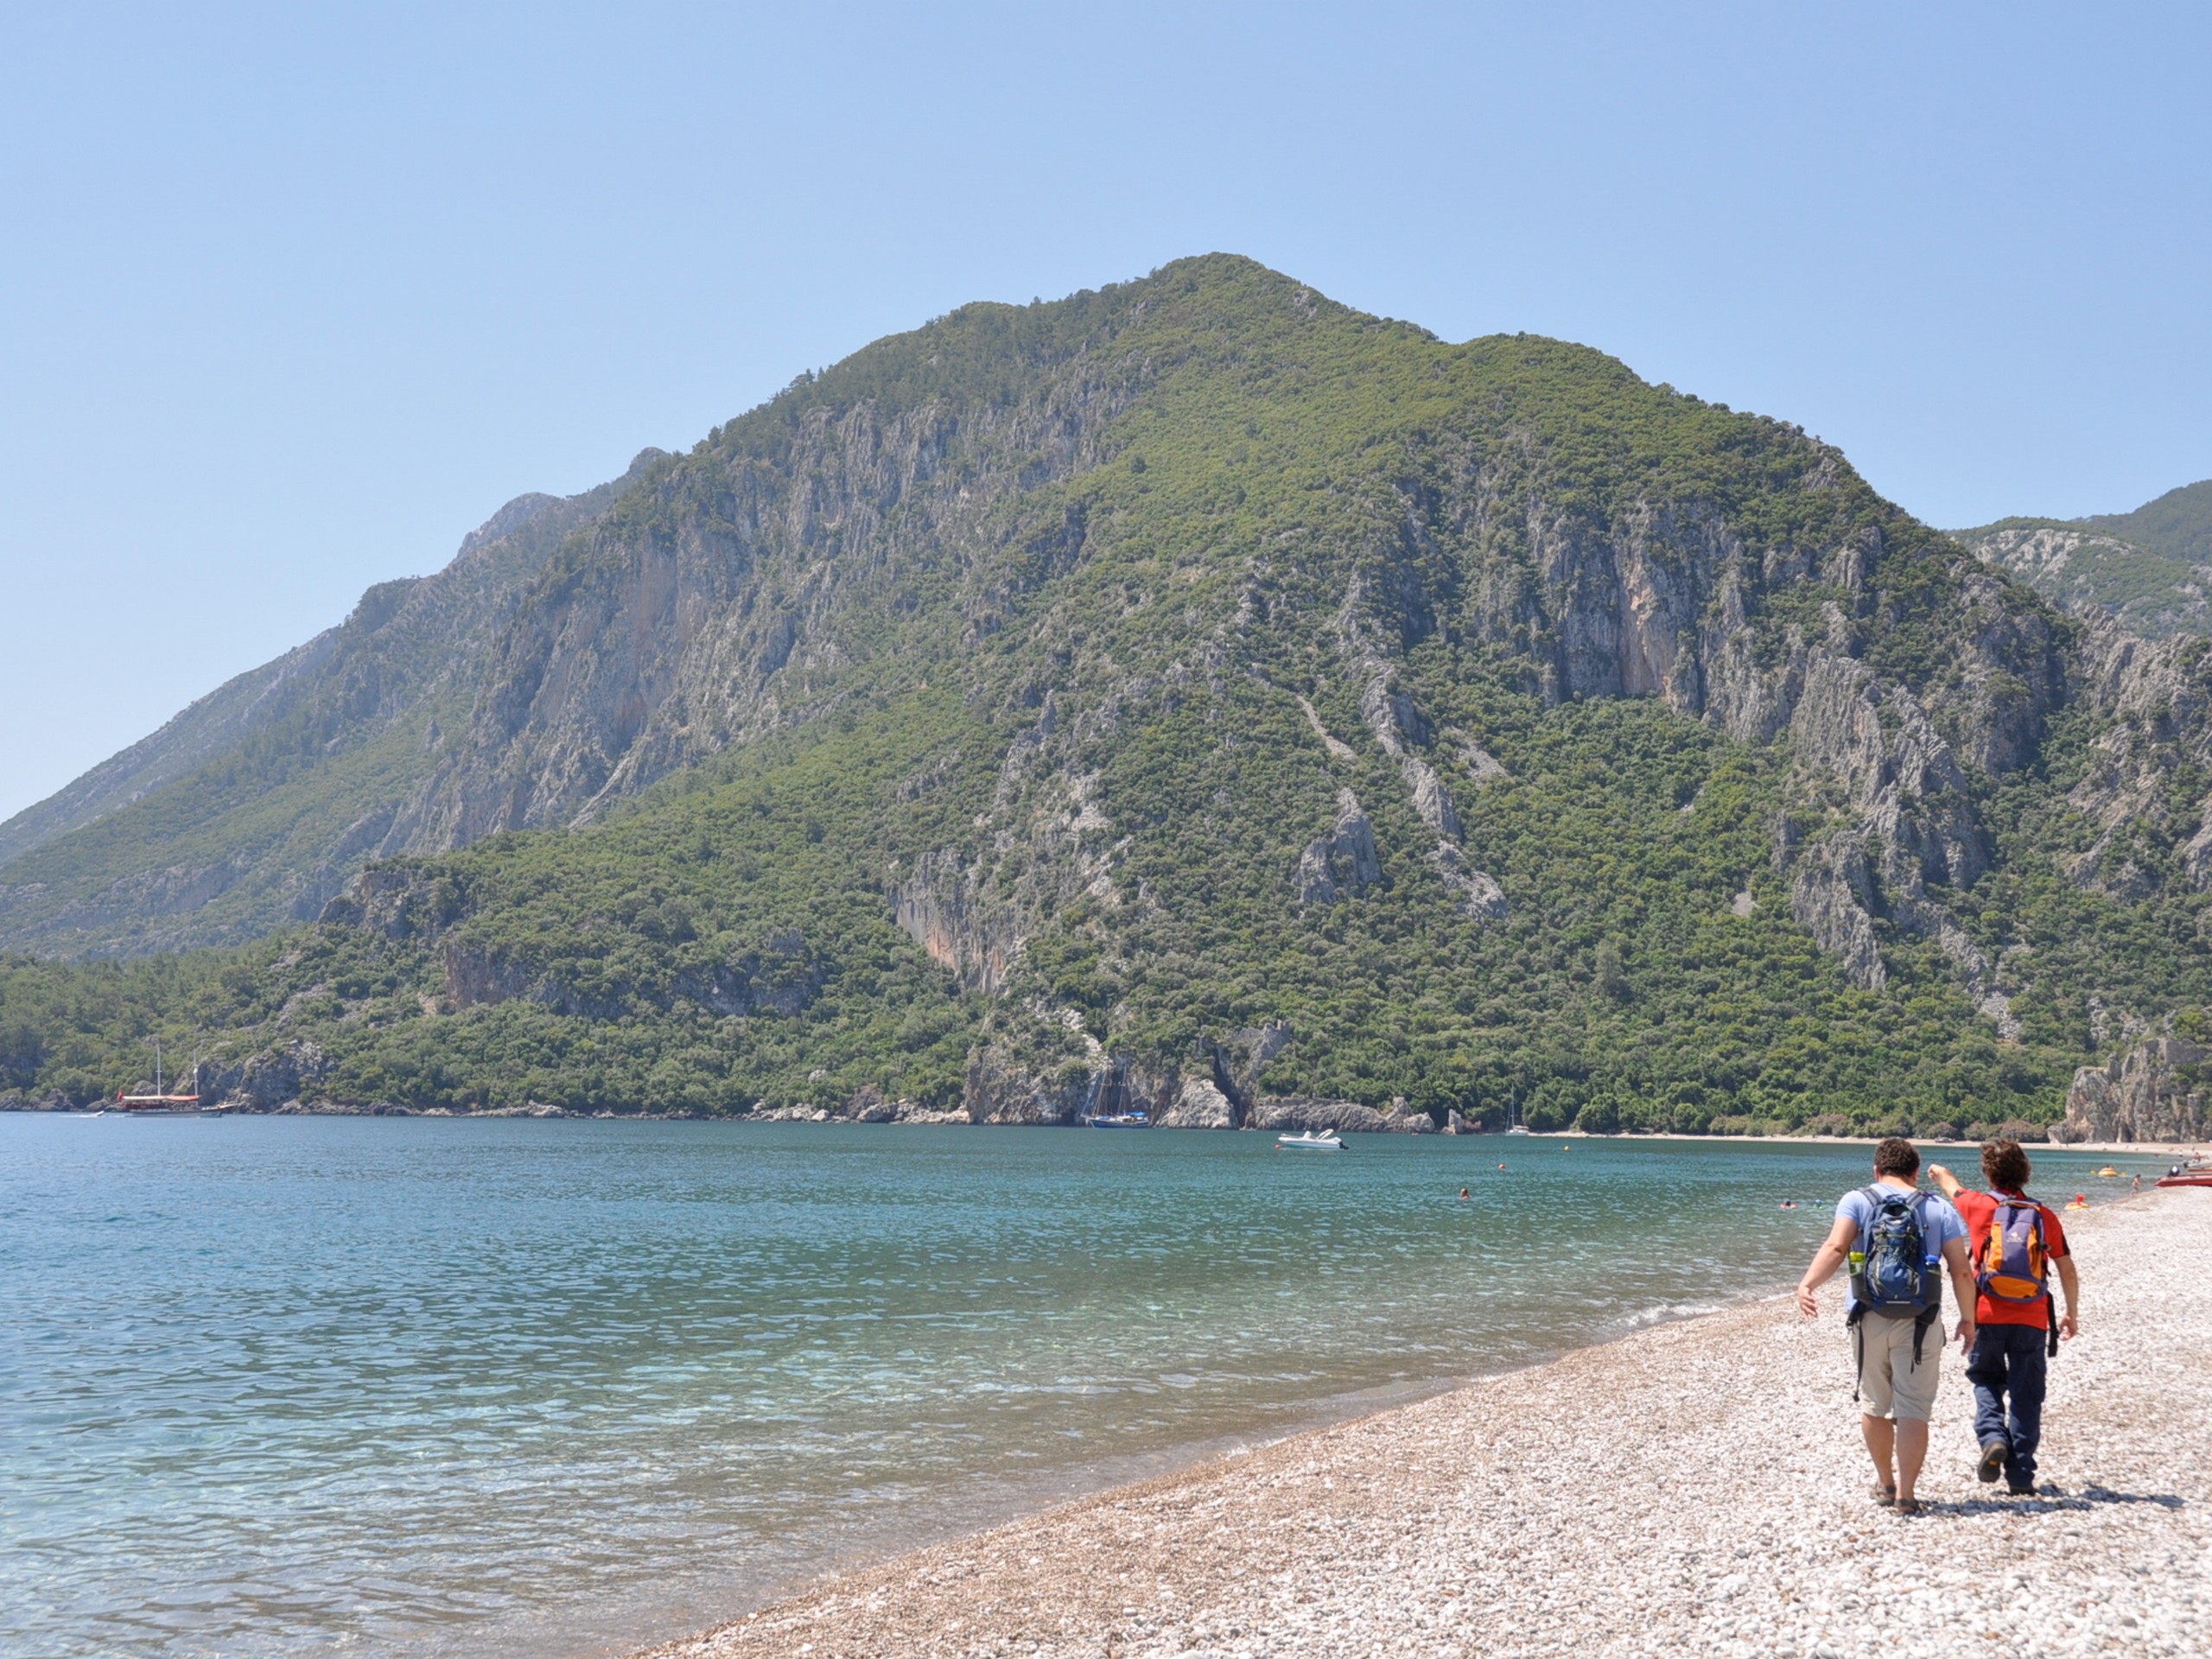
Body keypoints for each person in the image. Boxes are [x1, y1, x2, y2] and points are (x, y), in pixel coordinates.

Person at [1796, 1138, 1976, 1515]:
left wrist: (1808, 1284)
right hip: (1922, 1321)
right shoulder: (1938, 1207)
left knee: (1876, 1404)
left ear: (1876, 1170)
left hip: (1868, 1317)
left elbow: (1835, 1248)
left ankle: (1885, 1482)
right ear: (1915, 1172)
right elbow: (1961, 1269)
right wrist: (1968, 1318)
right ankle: (1907, 1495)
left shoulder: (1857, 1199)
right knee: (1913, 1408)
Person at [1929, 1141, 2081, 1496]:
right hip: (2032, 1318)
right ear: (2025, 1173)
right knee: (2027, 1395)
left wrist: (1937, 1171)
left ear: (1988, 1173)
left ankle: (1993, 1438)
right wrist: (2071, 1312)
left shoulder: (1977, 1206)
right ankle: (2021, 1475)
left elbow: (1952, 1186)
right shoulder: (2044, 1215)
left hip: (1987, 1313)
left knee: (1986, 1380)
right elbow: (2066, 1268)